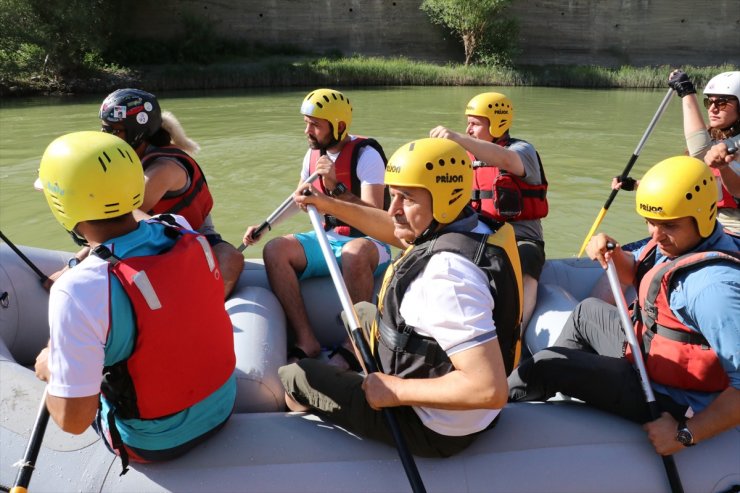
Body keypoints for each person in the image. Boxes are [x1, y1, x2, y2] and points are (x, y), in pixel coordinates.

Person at [279, 137, 522, 457]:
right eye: (393, 196)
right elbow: (395, 229)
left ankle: (316, 405)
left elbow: (488, 389)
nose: (392, 210)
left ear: (443, 199)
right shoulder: (474, 227)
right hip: (447, 391)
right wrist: (330, 205)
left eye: (406, 198)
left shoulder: (447, 277)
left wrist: (393, 390)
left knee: (294, 376)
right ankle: (355, 367)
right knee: (364, 310)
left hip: (432, 426)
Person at [33, 131, 237, 473]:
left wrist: (51, 365)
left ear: (62, 204)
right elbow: (142, 219)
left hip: (151, 443)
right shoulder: (183, 230)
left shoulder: (76, 289)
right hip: (222, 405)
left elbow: (73, 422)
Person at [508, 156, 740, 456]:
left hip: (672, 399)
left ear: (706, 216)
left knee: (547, 365)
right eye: (650, 222)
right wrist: (613, 253)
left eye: (668, 225)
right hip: (649, 354)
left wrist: (685, 435)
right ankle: (564, 401)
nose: (655, 235)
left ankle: (493, 413)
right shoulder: (684, 241)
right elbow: (642, 274)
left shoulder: (713, 289)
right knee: (587, 312)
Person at [242, 88, 391, 368]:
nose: (308, 131)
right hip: (330, 237)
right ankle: (306, 340)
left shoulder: (367, 155)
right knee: (275, 250)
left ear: (340, 126)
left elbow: (377, 215)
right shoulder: (311, 156)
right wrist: (266, 226)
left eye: (315, 125)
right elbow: (298, 197)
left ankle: (353, 347)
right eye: (306, 123)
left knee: (354, 251)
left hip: (370, 242)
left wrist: (336, 188)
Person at [49, 88, 244, 298]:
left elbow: (116, 225)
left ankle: (203, 306)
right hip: (153, 242)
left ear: (137, 133)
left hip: (196, 242)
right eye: (104, 129)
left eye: (114, 131)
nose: (106, 137)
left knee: (230, 257)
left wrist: (71, 267)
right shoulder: (127, 161)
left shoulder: (163, 169)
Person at [429, 92, 548, 346]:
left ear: (498, 124)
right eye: (467, 123)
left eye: (475, 123)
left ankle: (514, 337)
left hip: (520, 238)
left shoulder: (522, 151)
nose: (468, 129)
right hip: (479, 234)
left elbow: (504, 159)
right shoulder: (463, 156)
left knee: (525, 259)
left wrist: (457, 138)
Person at [666, 70, 740, 232]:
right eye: (709, 103)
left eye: (722, 103)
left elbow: (701, 153)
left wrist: (687, 93)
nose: (713, 109)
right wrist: (637, 185)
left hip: (734, 224)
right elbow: (688, 185)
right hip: (707, 218)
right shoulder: (713, 138)